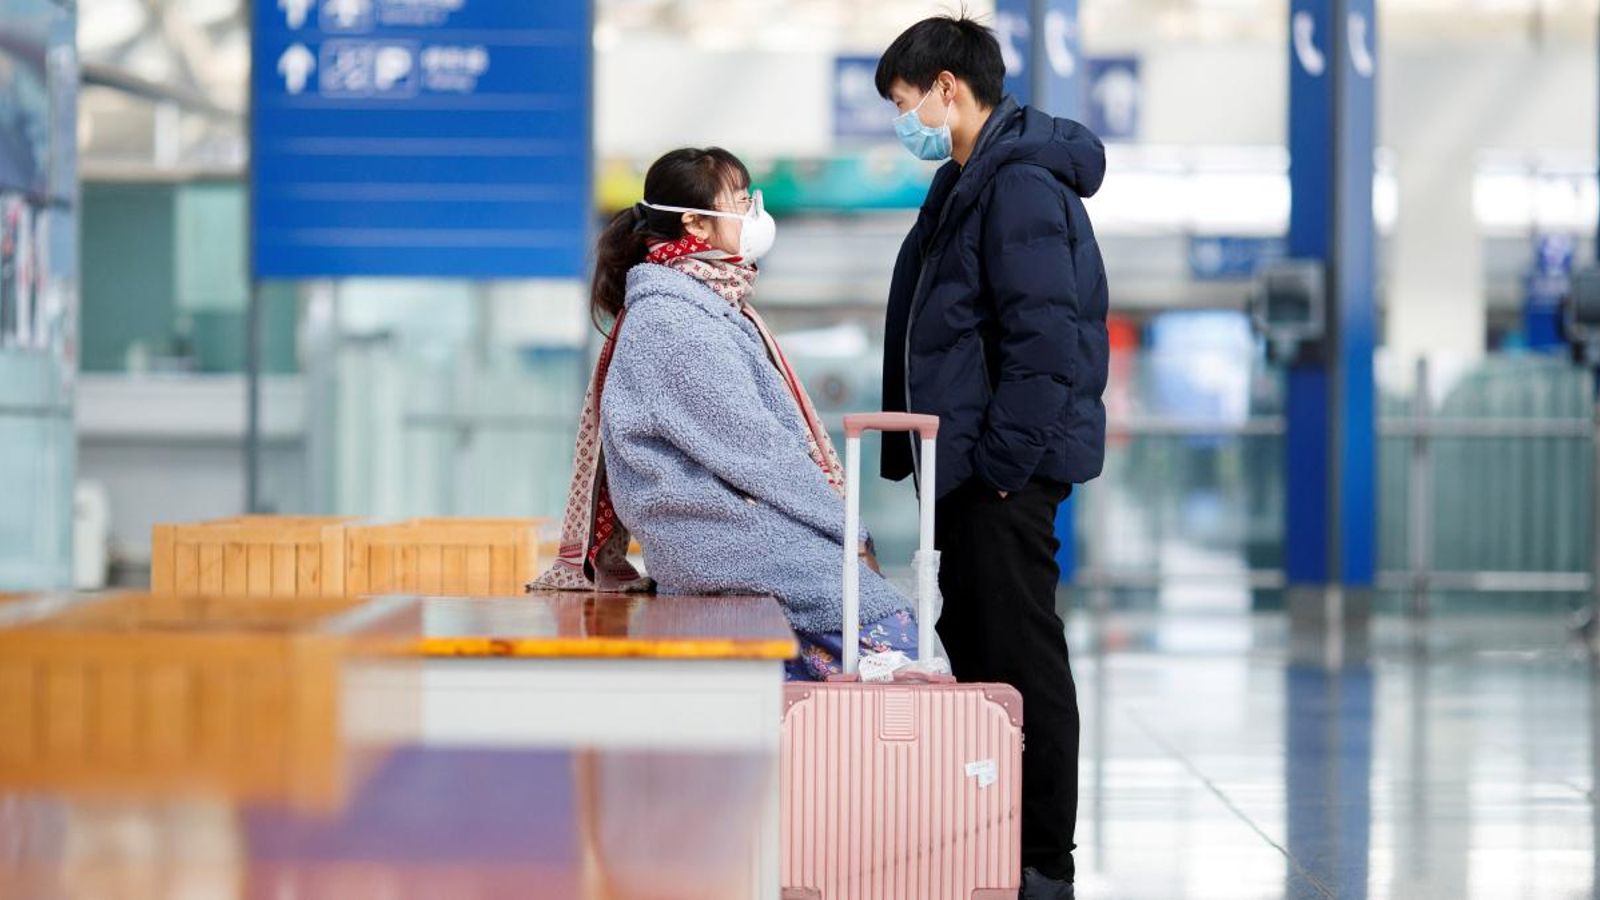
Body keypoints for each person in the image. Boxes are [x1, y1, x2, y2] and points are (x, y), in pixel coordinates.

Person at [874, 15, 1109, 900]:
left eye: (905, 103)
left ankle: (1043, 859)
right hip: (967, 464)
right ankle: (1000, 832)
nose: (905, 121)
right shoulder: (965, 182)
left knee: (1019, 650)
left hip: (1000, 470)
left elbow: (1046, 344)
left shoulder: (1018, 187)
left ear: (946, 87)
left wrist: (1004, 464)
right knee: (977, 643)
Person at [530, 147, 916, 681]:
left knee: (852, 647)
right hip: (722, 539)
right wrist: (850, 532)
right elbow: (757, 450)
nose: (755, 212)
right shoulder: (675, 320)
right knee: (894, 635)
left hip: (722, 533)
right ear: (696, 225)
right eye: (740, 199)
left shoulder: (696, 306)